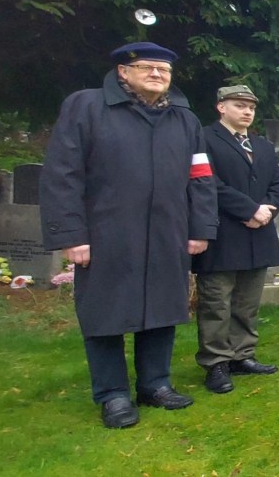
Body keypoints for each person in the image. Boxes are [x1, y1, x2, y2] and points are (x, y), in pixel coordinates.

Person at [39, 42, 218, 429]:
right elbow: (62, 172)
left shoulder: (184, 119)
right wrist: (71, 233)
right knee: (105, 313)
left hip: (168, 231)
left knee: (162, 309)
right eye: (147, 67)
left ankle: (155, 384)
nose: (157, 74)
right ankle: (113, 394)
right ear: (123, 72)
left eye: (164, 70)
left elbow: (201, 178)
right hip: (106, 232)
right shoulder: (86, 107)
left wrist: (200, 228)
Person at [192, 85, 279, 393]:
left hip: (257, 235)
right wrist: (249, 209)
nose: (247, 111)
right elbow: (208, 183)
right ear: (221, 107)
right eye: (239, 105)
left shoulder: (260, 145)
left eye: (251, 107)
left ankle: (242, 355)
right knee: (216, 303)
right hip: (223, 233)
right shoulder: (205, 139)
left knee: (247, 303)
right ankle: (216, 363)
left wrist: (266, 212)